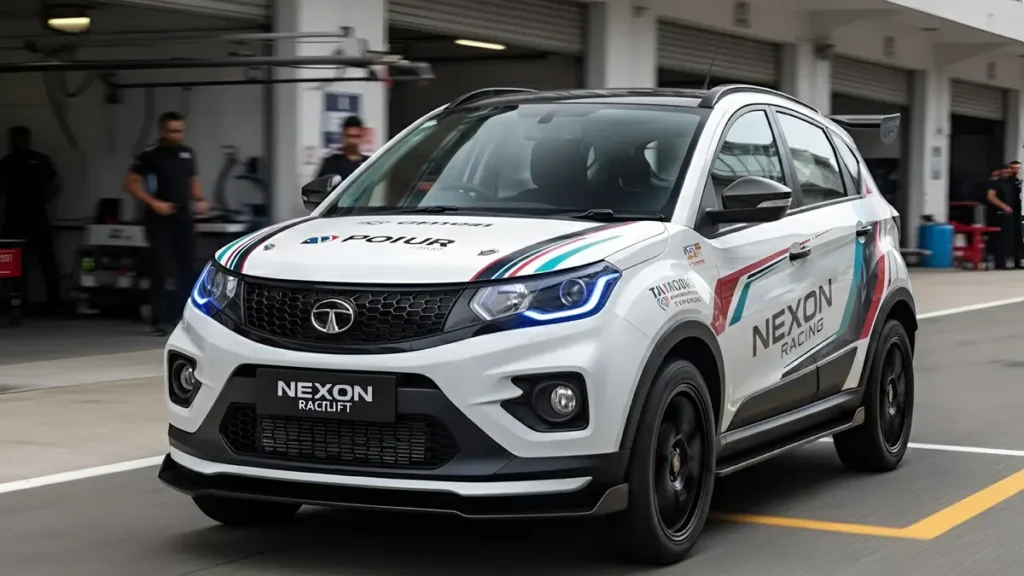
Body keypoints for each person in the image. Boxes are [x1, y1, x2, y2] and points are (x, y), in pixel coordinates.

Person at [124, 111, 210, 335]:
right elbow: (131, 183)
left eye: (180, 131)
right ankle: (159, 320)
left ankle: (182, 316)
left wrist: (199, 199)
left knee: (187, 268)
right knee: (161, 269)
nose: (176, 135)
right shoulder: (149, 155)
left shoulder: (187, 154)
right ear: (162, 131)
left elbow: (192, 181)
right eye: (172, 131)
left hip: (184, 219)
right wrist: (154, 203)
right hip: (159, 220)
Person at [0, 126, 62, 312]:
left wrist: (44, 199)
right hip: (16, 215)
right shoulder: (8, 162)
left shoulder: (38, 160)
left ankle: (53, 300)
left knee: (46, 259)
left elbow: (55, 185)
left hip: (34, 214)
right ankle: (13, 299)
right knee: (11, 259)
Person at [315, 115, 369, 181]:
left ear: (362, 136)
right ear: (343, 136)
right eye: (349, 136)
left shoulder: (368, 164)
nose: (352, 141)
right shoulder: (330, 164)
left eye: (356, 136)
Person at [983, 165, 1017, 270]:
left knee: (1007, 238)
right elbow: (990, 196)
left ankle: (1005, 261)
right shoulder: (994, 183)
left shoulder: (1011, 183)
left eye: (1009, 172)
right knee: (999, 238)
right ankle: (999, 262)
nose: (1007, 174)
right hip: (998, 214)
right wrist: (1004, 206)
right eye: (1005, 172)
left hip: (1009, 215)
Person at [1007, 160, 1023, 268]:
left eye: (1017, 168)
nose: (1015, 170)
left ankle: (1018, 261)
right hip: (1009, 212)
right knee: (1010, 237)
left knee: (1019, 237)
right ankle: (1010, 260)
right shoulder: (1007, 182)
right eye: (1013, 168)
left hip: (1019, 212)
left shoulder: (1019, 182)